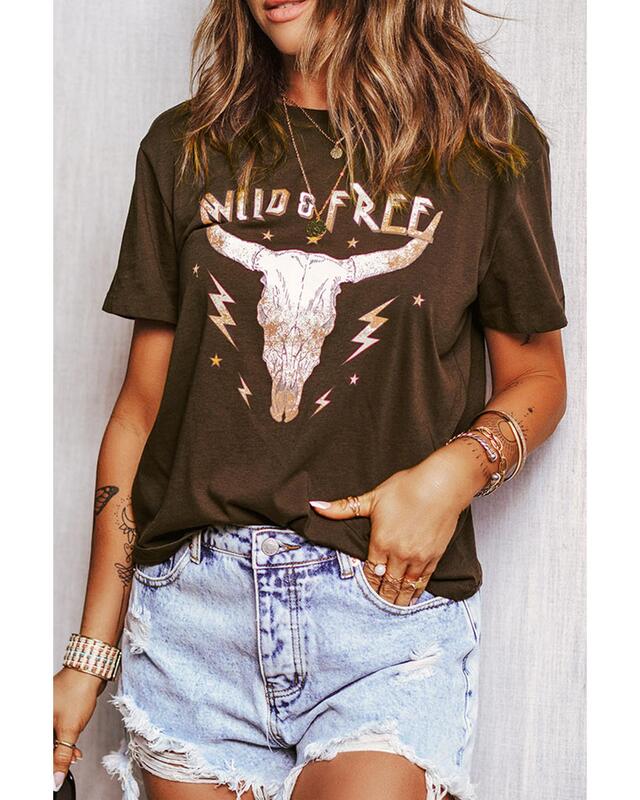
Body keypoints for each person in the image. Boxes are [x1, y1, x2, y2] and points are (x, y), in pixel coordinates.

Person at [53, 1, 568, 799]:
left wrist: (452, 474)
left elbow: (539, 378)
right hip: (194, 621)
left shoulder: (484, 145)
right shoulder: (186, 146)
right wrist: (89, 659)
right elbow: (140, 412)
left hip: (383, 616)